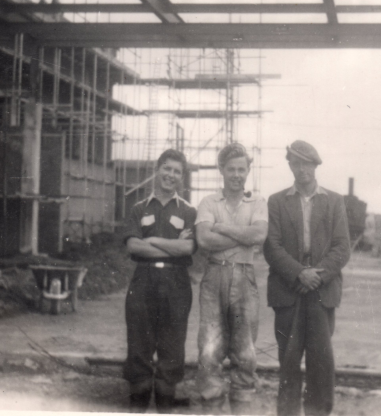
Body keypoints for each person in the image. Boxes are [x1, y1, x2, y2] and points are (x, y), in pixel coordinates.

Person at [263, 140, 351, 416]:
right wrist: (299, 273)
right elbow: (272, 247)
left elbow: (342, 247)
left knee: (321, 364)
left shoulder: (334, 201)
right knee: (288, 364)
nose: (301, 169)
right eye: (295, 163)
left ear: (316, 165)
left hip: (321, 294)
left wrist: (317, 276)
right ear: (290, 165)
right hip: (288, 293)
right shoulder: (276, 201)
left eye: (307, 163)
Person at [194, 143, 268, 414]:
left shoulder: (258, 203)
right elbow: (203, 239)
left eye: (242, 169)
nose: (237, 174)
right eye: (231, 169)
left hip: (244, 278)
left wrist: (222, 228)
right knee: (210, 349)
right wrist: (241, 233)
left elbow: (258, 236)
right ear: (221, 170)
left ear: (248, 171)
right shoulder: (208, 203)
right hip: (214, 278)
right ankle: (211, 408)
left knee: (244, 351)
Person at [121, 149, 196, 413]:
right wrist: (171, 246)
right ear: (157, 169)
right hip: (143, 281)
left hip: (176, 285)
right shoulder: (139, 208)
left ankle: (165, 406)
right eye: (167, 168)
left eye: (177, 171)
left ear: (181, 177)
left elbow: (188, 249)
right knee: (139, 349)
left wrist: (151, 240)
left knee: (172, 350)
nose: (171, 175)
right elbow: (133, 246)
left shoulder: (189, 211)